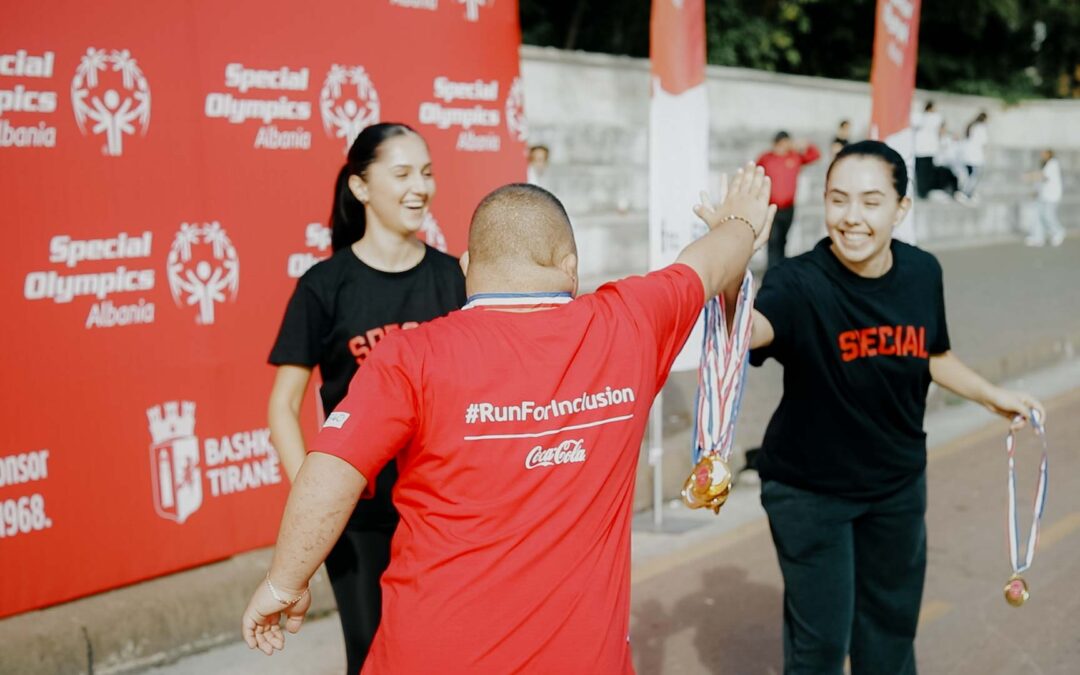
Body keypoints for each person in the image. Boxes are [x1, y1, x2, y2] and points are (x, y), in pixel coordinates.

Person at [242, 166, 777, 672]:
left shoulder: (412, 355)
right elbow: (707, 265)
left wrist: (284, 583)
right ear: (571, 264)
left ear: (467, 266)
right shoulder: (629, 322)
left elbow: (331, 469)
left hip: (429, 655)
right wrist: (742, 220)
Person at [747, 140, 1045, 674]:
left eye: (870, 201)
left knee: (889, 636)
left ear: (901, 208)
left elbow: (931, 353)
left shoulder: (922, 273)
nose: (852, 218)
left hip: (897, 485)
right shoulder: (798, 282)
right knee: (819, 647)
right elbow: (746, 332)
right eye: (838, 200)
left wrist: (991, 396)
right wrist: (732, 247)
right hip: (810, 492)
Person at [265, 122, 466, 673]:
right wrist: (315, 499)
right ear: (359, 186)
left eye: (426, 173)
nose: (418, 187)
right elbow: (283, 406)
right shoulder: (323, 286)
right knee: (372, 654)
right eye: (401, 173)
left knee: (450, 649)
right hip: (360, 515)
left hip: (446, 507)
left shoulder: (456, 279)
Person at [757, 131, 821, 269]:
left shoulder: (795, 157)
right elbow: (756, 172)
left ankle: (779, 269)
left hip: (788, 208)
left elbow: (815, 155)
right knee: (773, 240)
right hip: (771, 208)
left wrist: (805, 144)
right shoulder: (766, 158)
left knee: (782, 241)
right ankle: (771, 271)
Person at [1025, 148, 1065, 247]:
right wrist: (1036, 192)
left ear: (1049, 154)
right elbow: (1042, 182)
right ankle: (1038, 238)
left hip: (1052, 196)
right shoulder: (1046, 164)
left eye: (1044, 153)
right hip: (1043, 196)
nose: (1042, 154)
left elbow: (1044, 176)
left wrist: (1029, 176)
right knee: (1038, 216)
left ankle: (1058, 232)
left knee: (1048, 216)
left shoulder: (1053, 164)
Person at [913, 101, 943, 199]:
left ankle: (922, 191)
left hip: (923, 149)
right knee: (924, 173)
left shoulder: (920, 117)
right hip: (925, 149)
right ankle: (923, 192)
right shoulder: (934, 118)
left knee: (922, 173)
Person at [960, 111, 989, 200]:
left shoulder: (972, 126)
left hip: (968, 155)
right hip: (976, 156)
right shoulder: (981, 128)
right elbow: (983, 142)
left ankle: (968, 193)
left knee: (970, 174)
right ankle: (966, 193)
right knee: (974, 176)